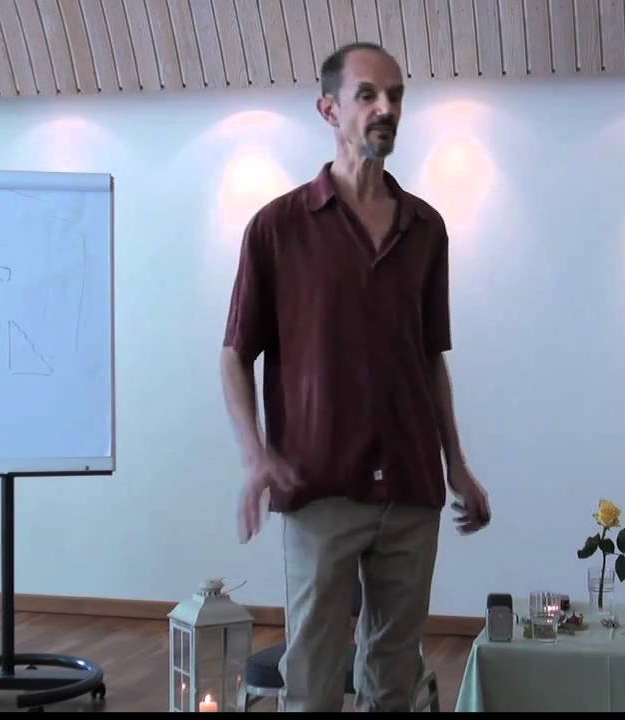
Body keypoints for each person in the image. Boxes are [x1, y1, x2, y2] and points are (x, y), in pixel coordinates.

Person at [219, 42, 492, 712]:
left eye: (395, 95)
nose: (385, 108)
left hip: (411, 486)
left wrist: (456, 464)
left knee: (393, 678)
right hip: (319, 487)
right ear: (328, 109)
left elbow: (430, 357)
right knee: (311, 678)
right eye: (367, 94)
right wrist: (255, 456)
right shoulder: (278, 228)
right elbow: (235, 353)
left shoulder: (426, 228)